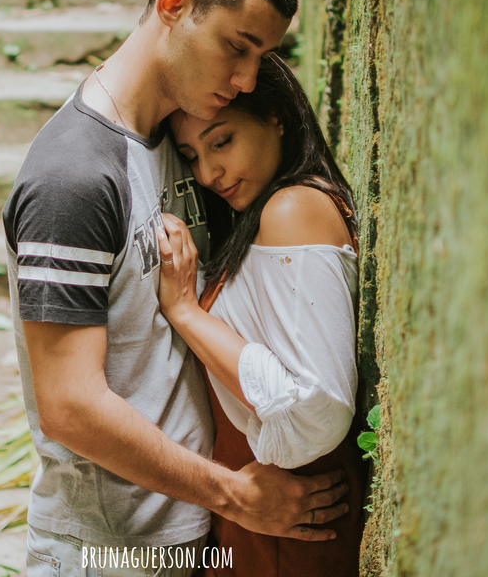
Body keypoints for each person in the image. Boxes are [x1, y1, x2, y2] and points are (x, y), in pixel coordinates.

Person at [2, 0, 350, 576]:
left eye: (263, 58)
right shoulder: (73, 176)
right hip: (106, 552)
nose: (247, 79)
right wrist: (236, 496)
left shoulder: (176, 138)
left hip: (189, 535)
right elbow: (69, 406)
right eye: (237, 48)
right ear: (174, 5)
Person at [156, 53, 364, 576]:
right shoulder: (264, 213)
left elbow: (316, 410)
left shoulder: (292, 210)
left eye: (222, 142)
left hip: (289, 529)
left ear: (276, 116)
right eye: (191, 156)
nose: (208, 173)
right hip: (262, 526)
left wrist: (185, 312)